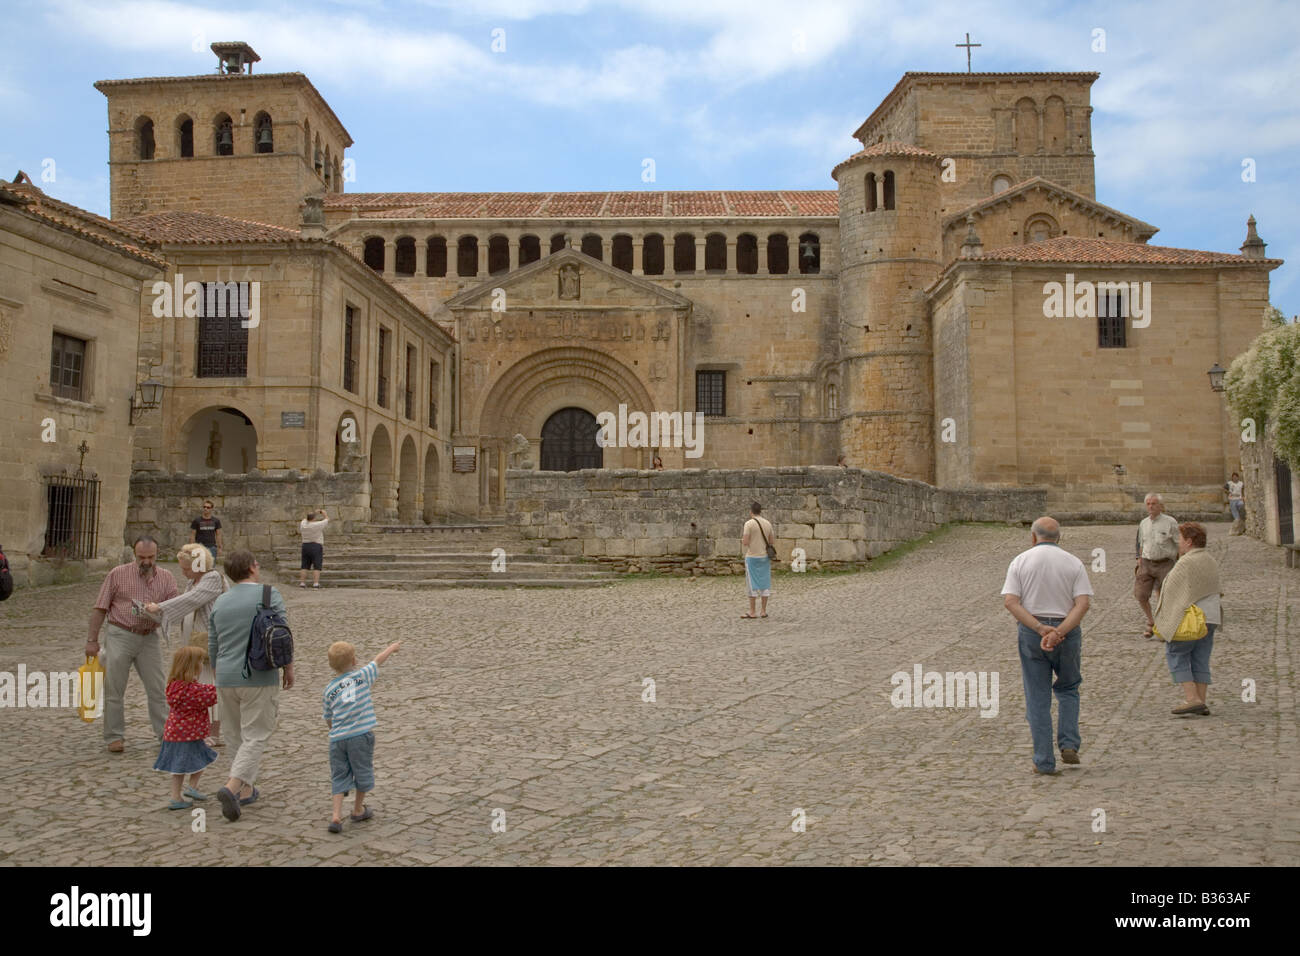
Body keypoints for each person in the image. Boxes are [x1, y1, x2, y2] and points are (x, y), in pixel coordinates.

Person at [1001, 517, 1093, 775]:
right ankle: (1069, 742)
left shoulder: (1020, 561)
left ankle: (1043, 759)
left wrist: (1041, 629)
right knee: (1069, 687)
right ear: (1059, 538)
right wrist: (1060, 631)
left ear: (1033, 537)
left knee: (1037, 696)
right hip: (1067, 631)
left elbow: (1011, 602)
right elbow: (1082, 603)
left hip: (1033, 632)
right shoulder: (1073, 562)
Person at [208, 550, 294, 822]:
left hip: (225, 675)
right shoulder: (269, 595)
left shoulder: (220, 602)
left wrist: (217, 672)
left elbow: (213, 643)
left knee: (234, 734)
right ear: (254, 567)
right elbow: (282, 635)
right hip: (259, 674)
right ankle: (233, 787)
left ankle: (246, 790)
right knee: (256, 734)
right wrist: (288, 667)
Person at [85, 536, 178, 753]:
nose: (146, 561)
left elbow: (176, 607)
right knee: (114, 688)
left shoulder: (166, 577)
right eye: (141, 557)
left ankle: (165, 734)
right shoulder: (117, 574)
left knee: (157, 688)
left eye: (151, 557)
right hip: (120, 633)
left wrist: (161, 610)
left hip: (149, 637)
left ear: (158, 554)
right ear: (134, 555)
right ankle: (114, 736)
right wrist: (92, 640)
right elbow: (100, 607)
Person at [144, 543, 227, 746]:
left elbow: (190, 600)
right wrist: (154, 613)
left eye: (186, 568)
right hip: (194, 640)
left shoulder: (212, 578)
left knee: (210, 685)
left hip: (210, 641)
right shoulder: (194, 582)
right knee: (198, 685)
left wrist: (160, 607)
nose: (183, 572)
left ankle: (214, 733)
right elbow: (184, 606)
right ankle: (201, 729)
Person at [322, 639, 402, 833]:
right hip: (360, 736)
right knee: (362, 770)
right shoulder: (362, 676)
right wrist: (391, 648)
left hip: (337, 739)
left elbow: (328, 717)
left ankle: (335, 816)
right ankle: (358, 809)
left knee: (339, 775)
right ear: (354, 660)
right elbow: (377, 661)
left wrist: (335, 730)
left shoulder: (329, 690)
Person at [1153, 522, 1221, 716]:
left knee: (1177, 654)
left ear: (1189, 542)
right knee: (1201, 658)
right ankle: (1201, 700)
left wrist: (1165, 620)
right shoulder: (1210, 559)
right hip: (1211, 617)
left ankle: (1191, 698)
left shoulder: (1186, 562)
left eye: (1181, 539)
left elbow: (1171, 590)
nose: (1179, 543)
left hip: (1190, 619)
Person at [154, 646, 218, 810]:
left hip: (178, 734)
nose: (202, 665)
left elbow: (204, 690)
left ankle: (192, 788)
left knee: (199, 759)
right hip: (187, 735)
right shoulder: (191, 690)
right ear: (192, 666)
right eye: (200, 662)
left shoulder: (175, 686)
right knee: (182, 766)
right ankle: (176, 796)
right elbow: (211, 695)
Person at [1134, 492, 1179, 638]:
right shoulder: (1143, 523)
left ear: (1160, 506)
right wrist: (1138, 558)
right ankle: (1151, 621)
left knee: (1164, 596)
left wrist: (1181, 562)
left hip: (1165, 563)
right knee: (1140, 594)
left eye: (1154, 504)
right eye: (1148, 504)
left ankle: (1163, 625)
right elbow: (1140, 542)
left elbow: (1179, 543)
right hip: (1146, 562)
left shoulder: (1170, 522)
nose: (1151, 506)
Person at [740, 501, 775, 619]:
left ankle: (752, 611)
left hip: (752, 557)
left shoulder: (748, 524)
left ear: (751, 512)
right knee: (765, 583)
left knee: (752, 584)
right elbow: (771, 541)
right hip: (764, 557)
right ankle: (763, 611)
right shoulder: (768, 523)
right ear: (760, 511)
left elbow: (745, 542)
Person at [299, 508, 329, 589]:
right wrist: (324, 513)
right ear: (314, 519)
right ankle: (315, 583)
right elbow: (326, 520)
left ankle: (302, 583)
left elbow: (305, 519)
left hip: (305, 546)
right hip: (316, 546)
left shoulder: (303, 524)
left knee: (304, 565)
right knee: (317, 565)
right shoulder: (317, 525)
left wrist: (313, 513)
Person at [188, 500, 223, 565]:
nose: (205, 509)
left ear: (211, 509)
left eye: (208, 507)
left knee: (211, 567)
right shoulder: (197, 521)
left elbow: (218, 535)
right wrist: (191, 548)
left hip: (212, 547)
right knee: (200, 567)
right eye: (204, 507)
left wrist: (219, 547)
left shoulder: (216, 521)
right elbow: (192, 535)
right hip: (200, 547)